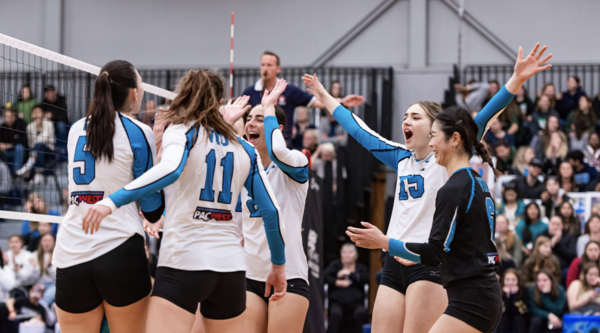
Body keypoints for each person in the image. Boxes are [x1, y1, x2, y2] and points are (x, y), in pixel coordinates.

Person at [305, 42, 552, 333]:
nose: (406, 120)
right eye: (405, 116)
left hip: (428, 263)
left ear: (436, 129)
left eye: (415, 116)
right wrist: (325, 97)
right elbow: (357, 128)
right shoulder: (400, 158)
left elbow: (485, 115)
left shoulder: (449, 159)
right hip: (392, 265)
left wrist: (516, 80)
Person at [84, 69, 287, 333]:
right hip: (231, 269)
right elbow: (270, 211)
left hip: (183, 262)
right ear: (219, 101)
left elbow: (171, 169)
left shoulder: (180, 132)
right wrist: (279, 266)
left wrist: (112, 201)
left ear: (185, 95)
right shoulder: (244, 148)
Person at [52, 60, 165, 333]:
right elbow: (152, 207)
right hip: (120, 250)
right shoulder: (139, 131)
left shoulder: (76, 129)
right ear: (135, 93)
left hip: (71, 253)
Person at [237, 80, 310, 333]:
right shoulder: (243, 169)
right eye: (249, 118)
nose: (250, 123)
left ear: (276, 128)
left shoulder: (296, 162)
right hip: (250, 276)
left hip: (289, 275)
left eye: (260, 118)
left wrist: (269, 106)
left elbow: (278, 149)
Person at [242, 51, 364, 145]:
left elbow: (316, 102)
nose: (265, 68)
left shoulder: (288, 90)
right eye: (263, 65)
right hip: (256, 143)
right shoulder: (250, 92)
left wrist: (342, 101)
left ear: (278, 69)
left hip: (283, 142)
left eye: (269, 65)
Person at [324, 243, 369, 333]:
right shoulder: (335, 266)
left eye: (350, 252)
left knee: (360, 313)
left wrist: (351, 274)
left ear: (356, 255)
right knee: (335, 313)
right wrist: (336, 281)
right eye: (344, 252)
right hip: (337, 301)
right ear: (340, 254)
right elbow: (324, 276)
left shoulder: (360, 268)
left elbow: (366, 278)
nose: (347, 255)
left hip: (356, 302)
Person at [16, 105, 55, 184]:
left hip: (49, 150)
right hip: (36, 151)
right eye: (35, 112)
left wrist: (38, 127)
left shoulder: (49, 124)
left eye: (38, 112)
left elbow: (44, 139)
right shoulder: (29, 127)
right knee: (36, 148)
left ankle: (29, 165)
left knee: (38, 145)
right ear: (32, 115)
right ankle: (38, 174)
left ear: (43, 114)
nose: (37, 114)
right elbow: (30, 144)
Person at [539, 216, 577, 280]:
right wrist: (552, 242)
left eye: (558, 224)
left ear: (562, 226)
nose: (555, 227)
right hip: (544, 267)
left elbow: (572, 256)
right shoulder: (542, 236)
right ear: (549, 225)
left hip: (563, 268)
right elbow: (536, 253)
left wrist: (558, 243)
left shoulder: (569, 237)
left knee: (567, 272)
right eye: (553, 224)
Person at [496, 268, 529, 333]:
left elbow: (523, 311)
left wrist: (514, 296)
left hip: (519, 319)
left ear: (518, 280)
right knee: (503, 318)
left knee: (518, 318)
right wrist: (508, 296)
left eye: (513, 280)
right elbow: (502, 312)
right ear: (503, 280)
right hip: (505, 319)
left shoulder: (523, 290)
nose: (510, 282)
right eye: (507, 280)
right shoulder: (499, 291)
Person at [0, 107, 27, 175]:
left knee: (19, 147)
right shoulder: (2, 127)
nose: (8, 119)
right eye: (6, 116)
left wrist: (8, 145)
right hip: (6, 153)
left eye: (10, 116)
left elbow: (23, 141)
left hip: (18, 152)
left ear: (15, 117)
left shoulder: (21, 124)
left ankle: (16, 173)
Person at [32, 233, 56, 307]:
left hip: (53, 284)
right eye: (45, 240)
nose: (47, 243)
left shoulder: (58, 255)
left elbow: (57, 277)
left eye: (49, 241)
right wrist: (35, 267)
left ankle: (41, 312)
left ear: (54, 242)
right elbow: (33, 278)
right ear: (40, 241)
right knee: (34, 296)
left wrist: (50, 266)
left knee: (48, 295)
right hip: (39, 284)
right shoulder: (34, 255)